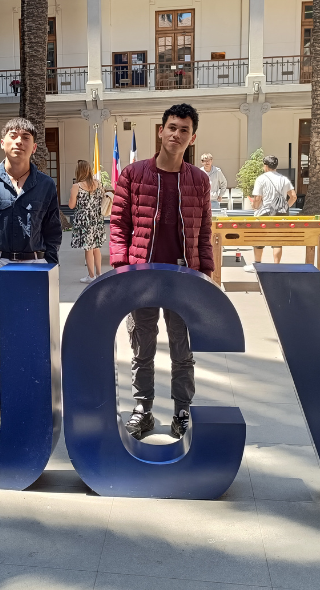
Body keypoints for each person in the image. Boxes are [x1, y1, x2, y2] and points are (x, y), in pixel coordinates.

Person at [110, 103, 213, 441]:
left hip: (184, 278)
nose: (176, 134)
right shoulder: (133, 174)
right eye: (172, 127)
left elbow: (205, 232)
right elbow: (119, 224)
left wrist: (206, 275)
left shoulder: (199, 180)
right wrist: (122, 268)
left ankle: (182, 411)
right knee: (142, 348)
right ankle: (143, 410)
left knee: (183, 351)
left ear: (192, 137)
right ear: (161, 130)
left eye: (184, 130)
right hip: (143, 276)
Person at [0, 117, 62, 437]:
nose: (19, 141)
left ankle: (32, 408)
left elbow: (53, 229)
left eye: (26, 137)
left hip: (33, 267)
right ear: (3, 142)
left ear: (34, 147)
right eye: (13, 135)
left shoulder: (45, 185)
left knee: (34, 342)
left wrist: (49, 262)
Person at [244, 155, 297, 273]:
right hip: (281, 214)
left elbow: (258, 198)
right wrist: (286, 207)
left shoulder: (261, 179)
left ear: (266, 166)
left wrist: (254, 206)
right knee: (277, 241)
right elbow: (293, 196)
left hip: (264, 213)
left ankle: (257, 264)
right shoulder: (284, 179)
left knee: (258, 239)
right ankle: (276, 266)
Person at [69, 159, 105, 283]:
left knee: (88, 249)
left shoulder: (76, 186)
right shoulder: (98, 183)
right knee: (96, 248)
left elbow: (71, 205)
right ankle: (99, 274)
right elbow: (102, 199)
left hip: (84, 221)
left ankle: (91, 276)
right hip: (97, 219)